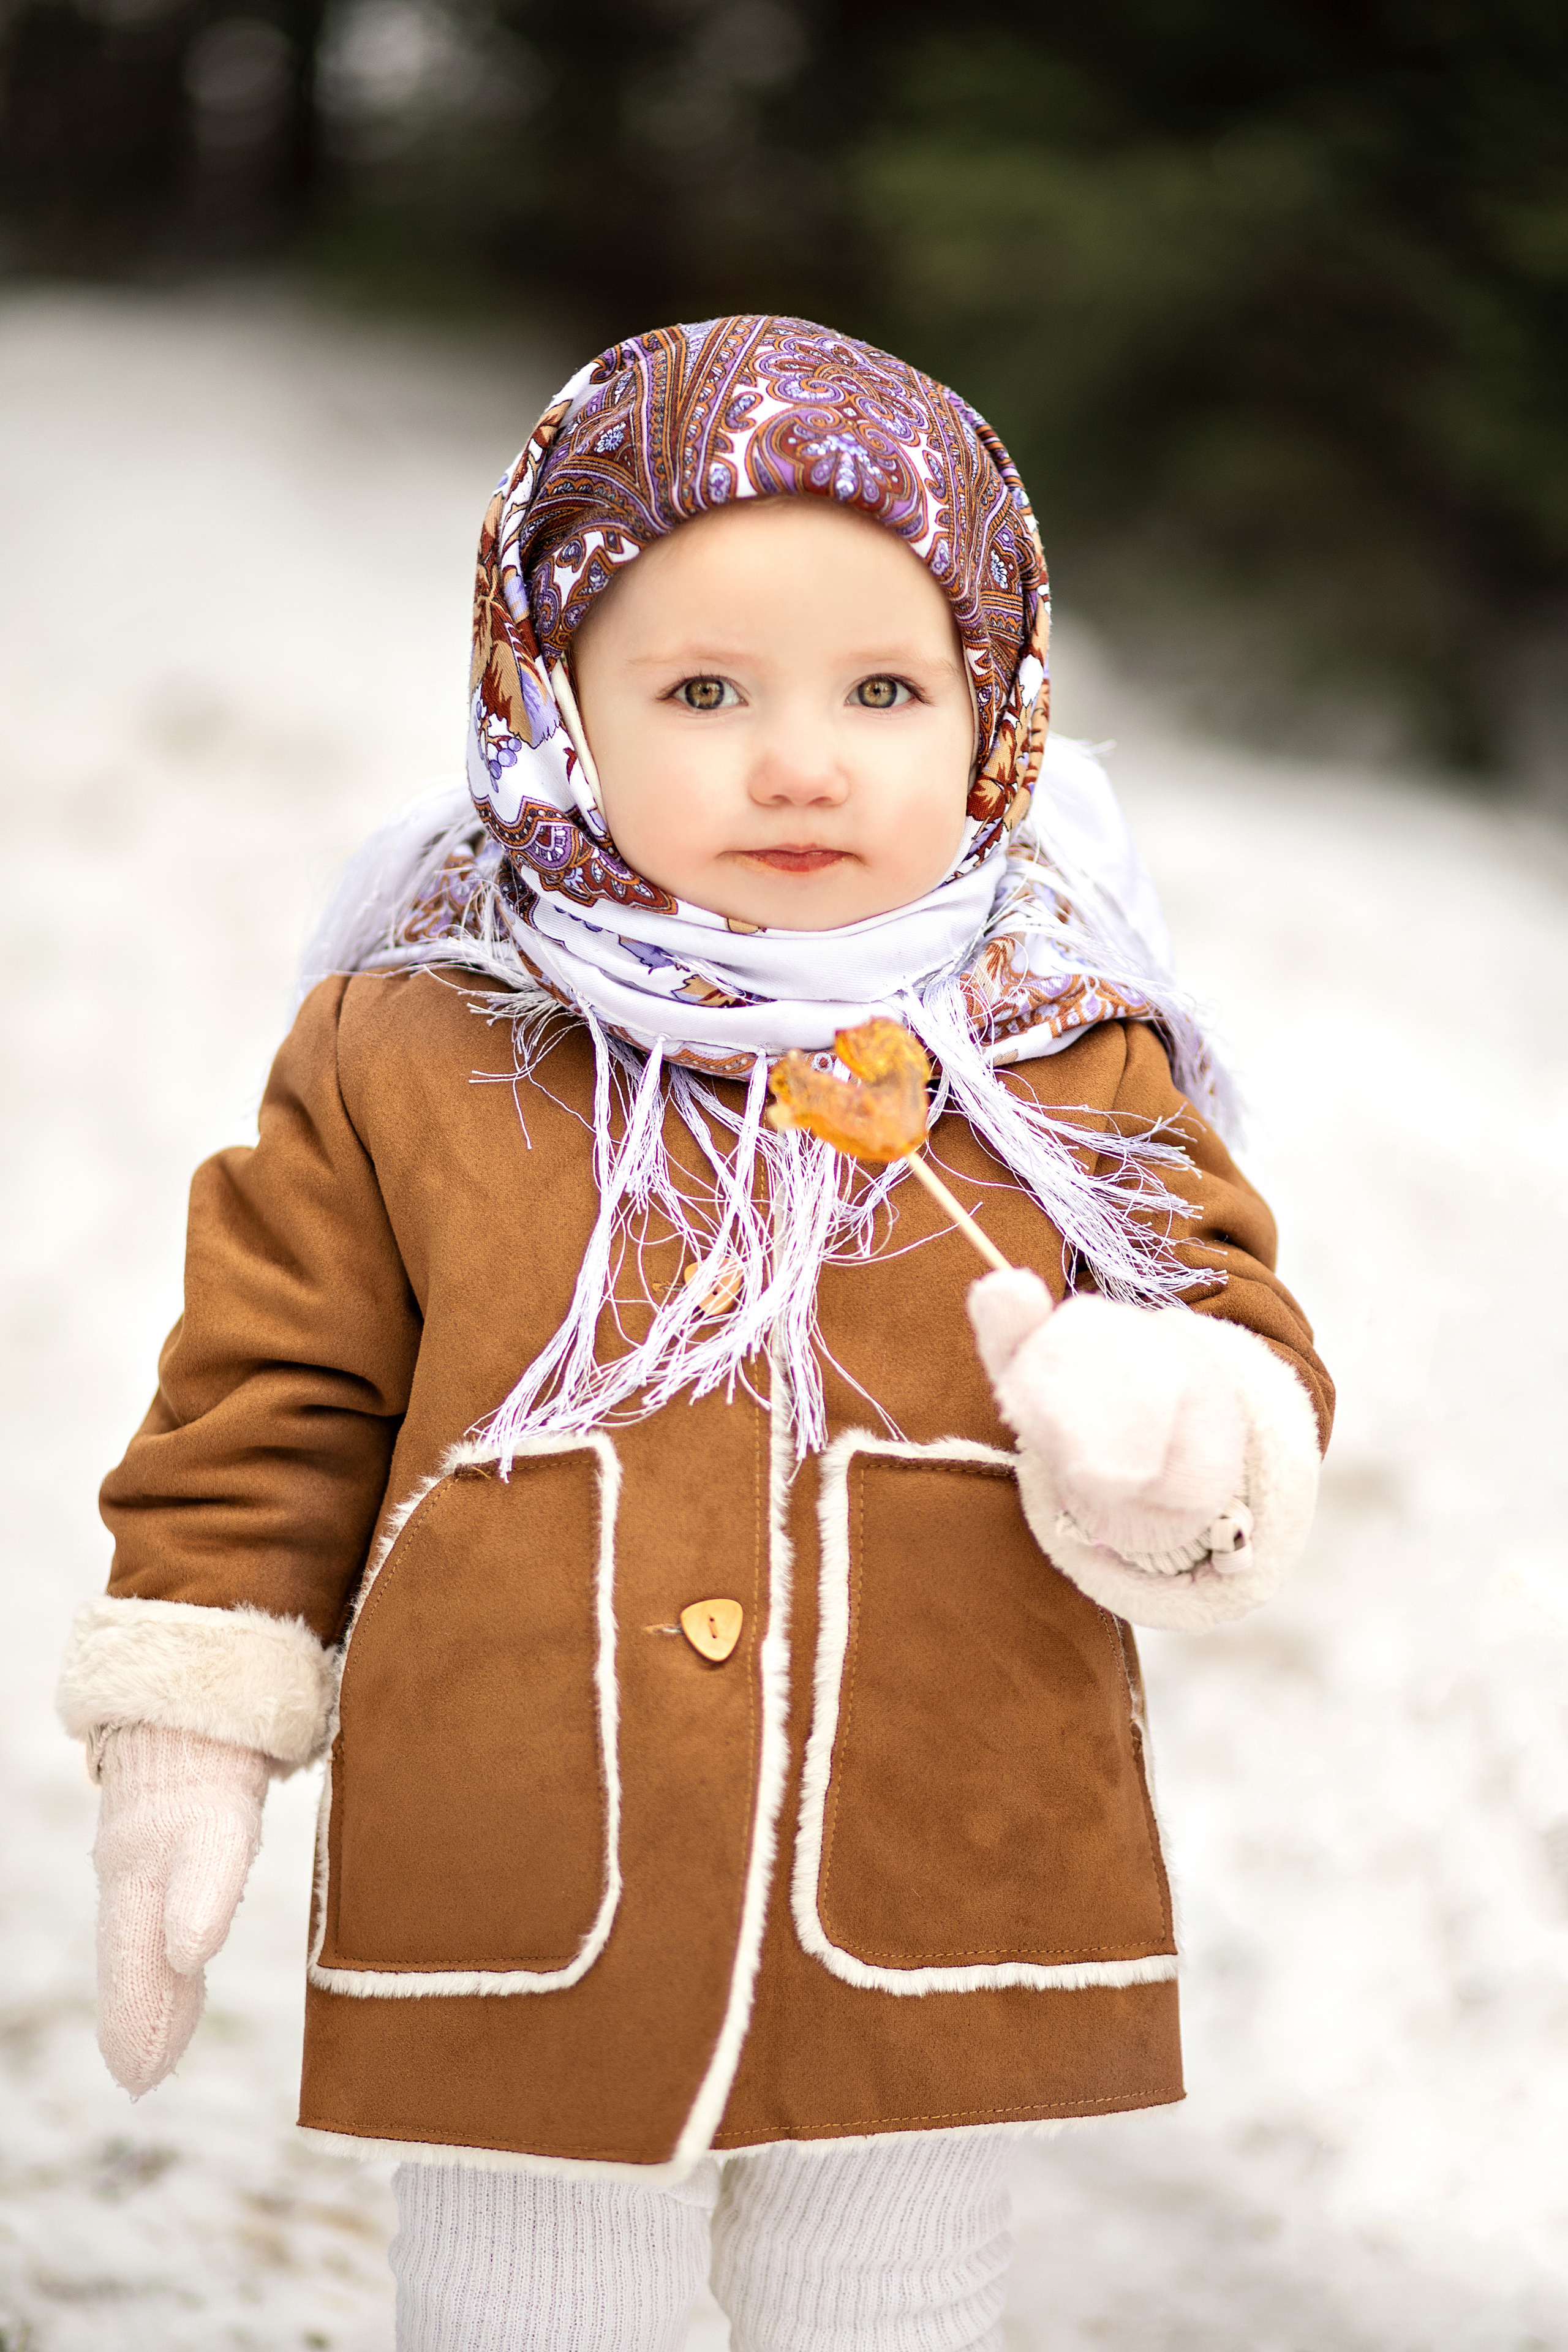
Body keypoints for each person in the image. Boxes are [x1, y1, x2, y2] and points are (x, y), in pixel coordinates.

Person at [58, 315, 1332, 2351]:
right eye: (707, 689)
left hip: (935, 1849)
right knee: (529, 2307)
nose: (804, 758)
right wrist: (187, 1751)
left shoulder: (1073, 1067)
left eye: (888, 689)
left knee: (891, 2304)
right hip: (519, 1853)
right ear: (550, 703)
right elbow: (267, 1404)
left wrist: (1184, 1441)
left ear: (997, 716)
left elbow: (1242, 1348)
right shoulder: (410, 1045)